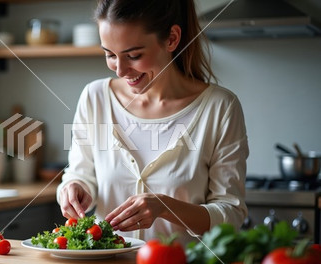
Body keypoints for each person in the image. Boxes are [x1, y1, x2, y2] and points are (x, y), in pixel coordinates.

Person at [57, 0, 249, 245]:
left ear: (171, 38)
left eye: (134, 55)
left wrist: (164, 207)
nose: (120, 70)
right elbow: (80, 172)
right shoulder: (94, 97)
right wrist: (75, 187)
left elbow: (230, 214)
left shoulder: (220, 107)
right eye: (110, 54)